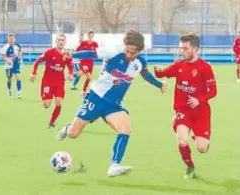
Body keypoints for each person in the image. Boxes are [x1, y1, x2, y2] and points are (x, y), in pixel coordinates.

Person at [57, 30, 166, 177]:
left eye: (133, 52)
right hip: (95, 98)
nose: (129, 54)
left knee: (125, 130)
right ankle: (68, 128)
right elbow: (91, 53)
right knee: (73, 134)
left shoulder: (140, 63)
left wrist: (159, 84)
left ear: (140, 51)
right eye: (127, 50)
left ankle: (114, 165)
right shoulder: (112, 52)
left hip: (113, 105)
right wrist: (73, 55)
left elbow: (145, 74)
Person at [154, 32, 217, 178]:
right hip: (182, 110)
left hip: (201, 113)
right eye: (181, 48)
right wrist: (157, 70)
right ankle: (190, 166)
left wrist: (199, 100)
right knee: (182, 141)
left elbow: (213, 91)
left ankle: (199, 138)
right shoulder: (179, 65)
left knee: (202, 148)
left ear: (195, 49)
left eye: (186, 48)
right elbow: (161, 74)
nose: (182, 51)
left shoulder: (205, 67)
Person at [29, 34, 74, 129]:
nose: (61, 42)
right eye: (59, 40)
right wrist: (33, 73)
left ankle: (52, 122)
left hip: (59, 82)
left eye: (63, 40)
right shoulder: (49, 52)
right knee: (46, 105)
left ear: (65, 42)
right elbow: (37, 61)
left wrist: (70, 74)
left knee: (59, 102)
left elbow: (70, 65)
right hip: (47, 82)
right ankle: (45, 99)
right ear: (56, 42)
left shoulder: (67, 54)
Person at [75, 30, 98, 97]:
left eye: (92, 35)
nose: (90, 37)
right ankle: (85, 91)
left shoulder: (95, 44)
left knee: (88, 78)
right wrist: (79, 56)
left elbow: (96, 54)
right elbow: (77, 51)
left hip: (91, 62)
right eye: (89, 35)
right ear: (88, 36)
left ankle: (83, 91)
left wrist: (94, 55)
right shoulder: (83, 43)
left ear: (93, 36)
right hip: (84, 62)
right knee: (89, 76)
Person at [0, 33, 23, 98]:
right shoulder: (5, 47)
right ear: (8, 40)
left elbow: (20, 52)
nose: (11, 40)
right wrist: (7, 60)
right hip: (8, 65)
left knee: (18, 77)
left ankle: (19, 93)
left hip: (16, 64)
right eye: (10, 39)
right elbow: (1, 57)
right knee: (9, 78)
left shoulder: (18, 46)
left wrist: (21, 59)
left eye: (12, 38)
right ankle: (9, 90)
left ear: (14, 39)